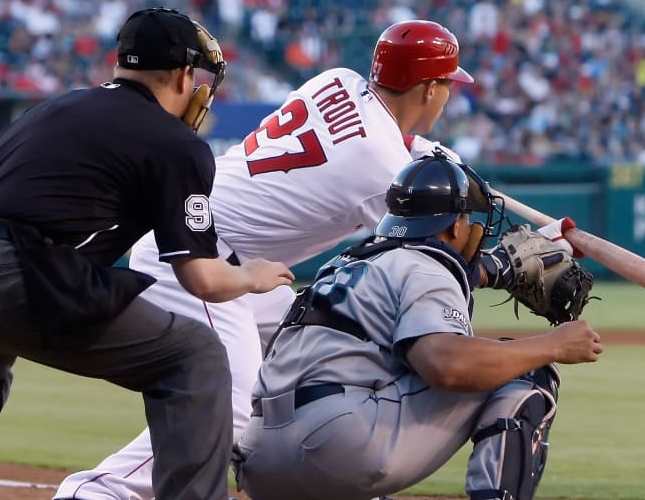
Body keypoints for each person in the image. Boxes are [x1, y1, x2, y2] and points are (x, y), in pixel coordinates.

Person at [55, 20, 513, 500]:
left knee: (325, 359)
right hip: (198, 257)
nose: (448, 97)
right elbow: (437, 253)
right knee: (228, 402)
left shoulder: (337, 81)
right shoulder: (381, 169)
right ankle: (96, 493)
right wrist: (502, 263)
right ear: (429, 88)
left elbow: (404, 143)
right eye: (446, 85)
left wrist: (454, 162)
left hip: (241, 268)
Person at [0, 7, 294, 500]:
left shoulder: (59, 107)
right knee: (196, 357)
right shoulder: (175, 144)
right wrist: (252, 275)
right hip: (2, 268)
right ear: (185, 75)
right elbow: (204, 280)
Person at [233, 153, 603, 500]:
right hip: (336, 442)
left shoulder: (349, 264)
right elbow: (446, 365)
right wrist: (552, 345)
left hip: (261, 456)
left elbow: (427, 275)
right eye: (470, 219)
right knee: (527, 370)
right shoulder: (427, 269)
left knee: (383, 375)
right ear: (455, 224)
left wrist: (496, 269)